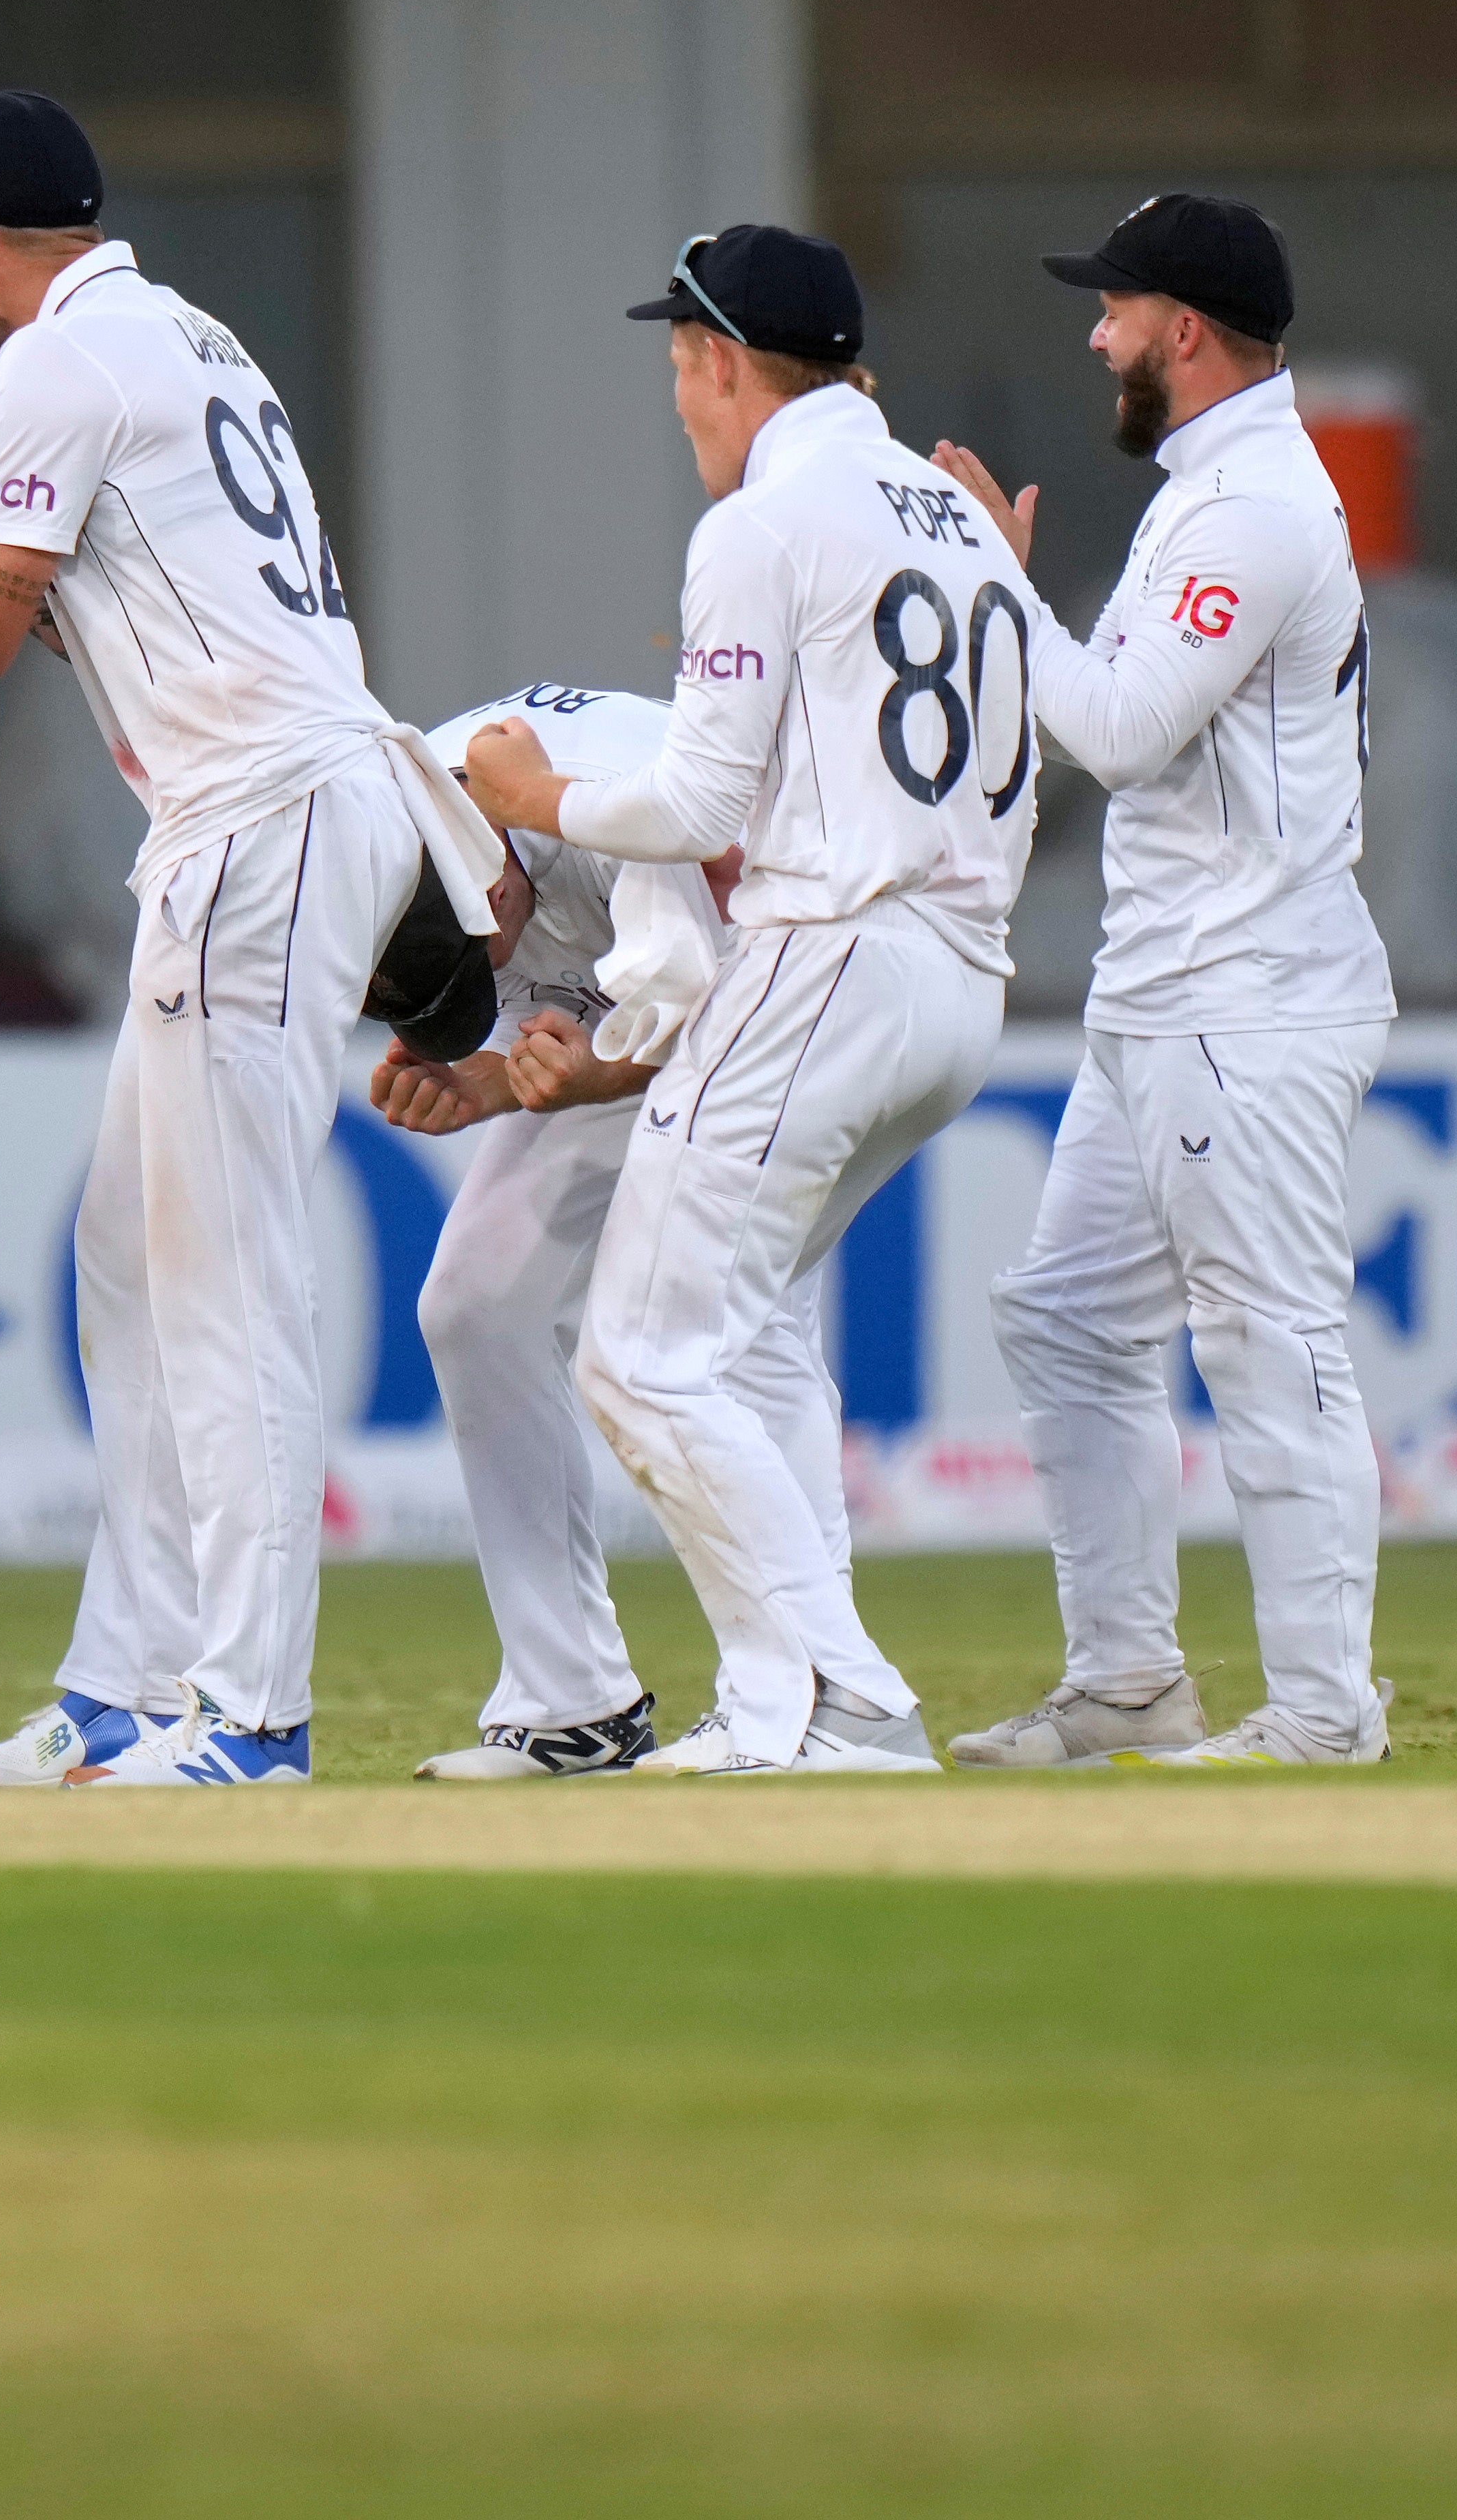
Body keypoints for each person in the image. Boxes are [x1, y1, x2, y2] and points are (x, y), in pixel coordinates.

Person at [0, 89, 502, 1789]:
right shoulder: (180, 336)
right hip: (294, 804)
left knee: (223, 1288)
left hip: (261, 831)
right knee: (135, 1269)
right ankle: (126, 1693)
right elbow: (109, 622)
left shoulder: (61, 365)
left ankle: (254, 1720)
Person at [456, 224, 1038, 1776]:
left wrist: (540, 788)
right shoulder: (961, 520)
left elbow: (703, 794)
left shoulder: (766, 519)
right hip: (963, 978)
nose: (679, 401)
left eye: (677, 368)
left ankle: (842, 1697)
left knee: (639, 1354)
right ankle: (795, 1699)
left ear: (721, 358)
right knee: (743, 1327)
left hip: (830, 954)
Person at [928, 192, 1400, 1769]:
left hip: (1246, 989)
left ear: (1184, 330)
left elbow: (1119, 728)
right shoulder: (1209, 493)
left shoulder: (1256, 504)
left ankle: (1328, 1714)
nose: (1096, 334)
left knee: (1272, 1335)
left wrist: (998, 584)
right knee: (1065, 1319)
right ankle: (1127, 1680)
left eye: (1114, 308)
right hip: (1170, 990)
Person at [367, 684, 847, 1780]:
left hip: (801, 1001)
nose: (490, 973)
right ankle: (569, 1701)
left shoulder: (606, 803)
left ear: (489, 852)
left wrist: (586, 1075)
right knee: (476, 1302)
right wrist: (491, 1078)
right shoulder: (396, 839)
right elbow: (586, 997)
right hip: (666, 1028)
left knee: (747, 1327)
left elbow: (737, 1019)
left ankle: (820, 1695)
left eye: (480, 948)